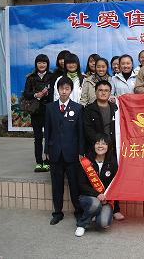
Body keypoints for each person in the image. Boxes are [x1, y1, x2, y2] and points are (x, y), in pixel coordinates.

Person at [44, 76, 83, 225]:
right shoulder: (50, 108)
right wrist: (46, 149)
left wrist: (80, 152)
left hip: (72, 153)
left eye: (67, 88)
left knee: (74, 185)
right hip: (55, 153)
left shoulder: (78, 108)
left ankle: (78, 211)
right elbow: (47, 130)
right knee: (57, 185)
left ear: (71, 90)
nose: (64, 91)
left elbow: (80, 133)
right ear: (57, 89)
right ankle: (57, 213)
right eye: (62, 88)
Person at [84, 80, 124, 221]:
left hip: (112, 149)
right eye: (100, 90)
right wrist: (101, 143)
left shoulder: (115, 108)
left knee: (114, 176)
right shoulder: (89, 109)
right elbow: (87, 130)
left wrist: (111, 144)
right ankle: (96, 206)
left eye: (106, 90)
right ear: (95, 92)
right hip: (96, 149)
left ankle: (115, 208)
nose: (103, 93)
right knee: (96, 177)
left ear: (110, 92)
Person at [75, 134, 117, 237]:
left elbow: (115, 183)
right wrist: (97, 194)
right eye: (97, 143)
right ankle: (82, 224)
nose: (100, 146)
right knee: (95, 203)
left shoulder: (113, 163)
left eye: (104, 143)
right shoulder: (86, 162)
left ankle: (94, 214)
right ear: (93, 145)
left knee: (103, 223)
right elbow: (81, 185)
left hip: (106, 200)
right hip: (88, 197)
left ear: (109, 146)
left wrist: (108, 196)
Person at [23, 54, 54, 172]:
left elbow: (55, 91)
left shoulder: (51, 76)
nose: (42, 65)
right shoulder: (31, 77)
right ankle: (39, 162)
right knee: (38, 137)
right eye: (39, 63)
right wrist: (36, 94)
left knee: (49, 137)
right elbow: (26, 93)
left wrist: (47, 93)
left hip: (49, 111)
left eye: (44, 63)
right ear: (36, 64)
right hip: (36, 111)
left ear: (47, 64)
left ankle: (47, 161)